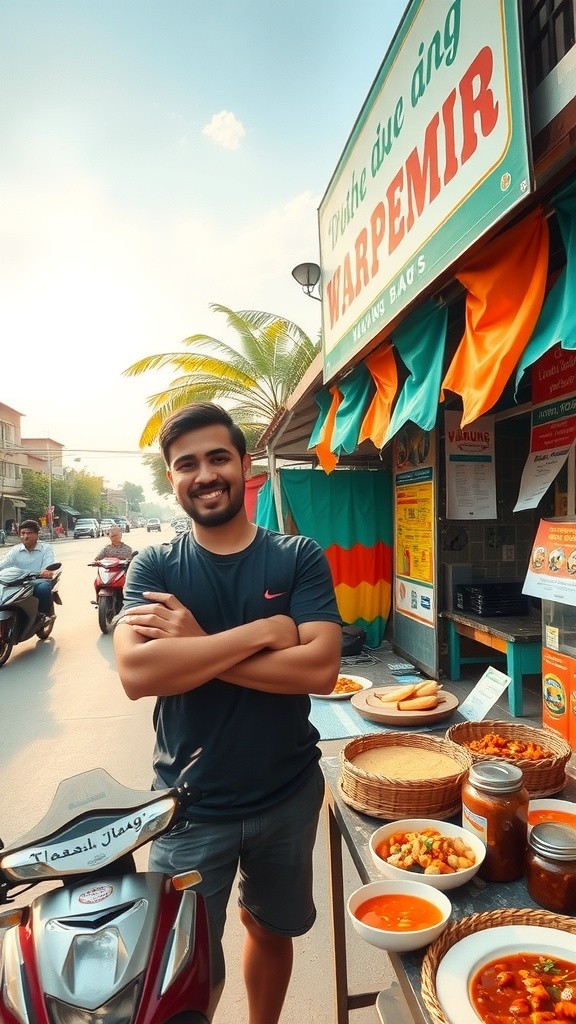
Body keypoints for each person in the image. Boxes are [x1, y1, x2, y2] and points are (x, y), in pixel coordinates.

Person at [113, 402, 341, 1024]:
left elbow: (319, 669)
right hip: (190, 805)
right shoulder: (155, 566)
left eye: (218, 458)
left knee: (271, 931)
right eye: (187, 464)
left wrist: (193, 645)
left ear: (244, 465)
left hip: (286, 795)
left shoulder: (296, 556)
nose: (205, 474)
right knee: (184, 963)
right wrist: (267, 629)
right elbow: (138, 674)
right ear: (171, 479)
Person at [0, 519, 57, 617]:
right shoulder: (15, 550)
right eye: (23, 533)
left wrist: (46, 572)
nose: (25, 536)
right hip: (17, 582)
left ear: (36, 534)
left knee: (44, 589)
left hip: (38, 581)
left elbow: (48, 567)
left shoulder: (46, 548)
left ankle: (43, 616)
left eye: (29, 533)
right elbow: (3, 564)